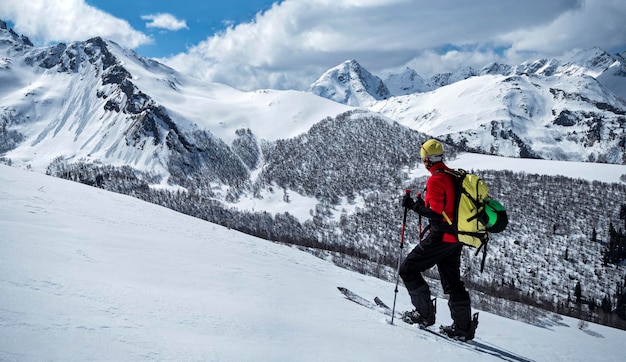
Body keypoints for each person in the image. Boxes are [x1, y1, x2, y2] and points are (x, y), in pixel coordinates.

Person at [399, 139, 477, 341]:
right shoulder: (452, 174)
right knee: (453, 283)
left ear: (428, 160)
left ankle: (423, 314)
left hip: (440, 236)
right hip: (456, 238)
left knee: (408, 269)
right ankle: (463, 329)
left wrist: (412, 206)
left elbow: (435, 213)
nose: (423, 163)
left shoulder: (435, 179)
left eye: (424, 159)